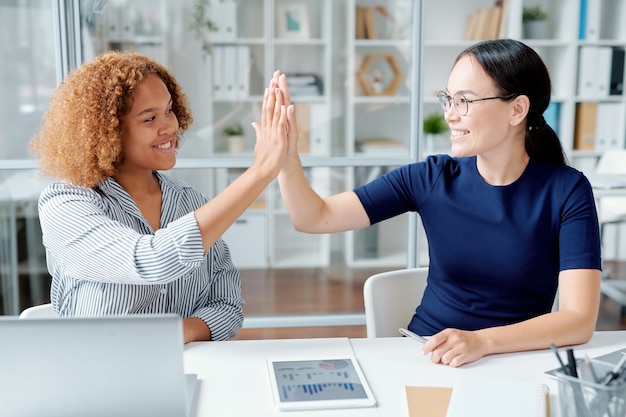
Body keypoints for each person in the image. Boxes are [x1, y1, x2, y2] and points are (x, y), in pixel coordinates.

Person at [274, 39, 602, 366]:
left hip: (517, 360)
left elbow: (578, 319)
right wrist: (286, 159)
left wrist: (482, 341)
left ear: (517, 109)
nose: (449, 114)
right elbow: (314, 217)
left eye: (464, 101)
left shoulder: (567, 190)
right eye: (448, 99)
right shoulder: (432, 177)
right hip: (428, 353)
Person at [29, 52, 289, 343]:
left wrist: (181, 332)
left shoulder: (192, 203)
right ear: (108, 132)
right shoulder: (66, 204)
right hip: (98, 375)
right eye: (150, 118)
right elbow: (151, 260)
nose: (169, 127)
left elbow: (228, 307)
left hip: (186, 370)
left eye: (169, 110)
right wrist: (259, 173)